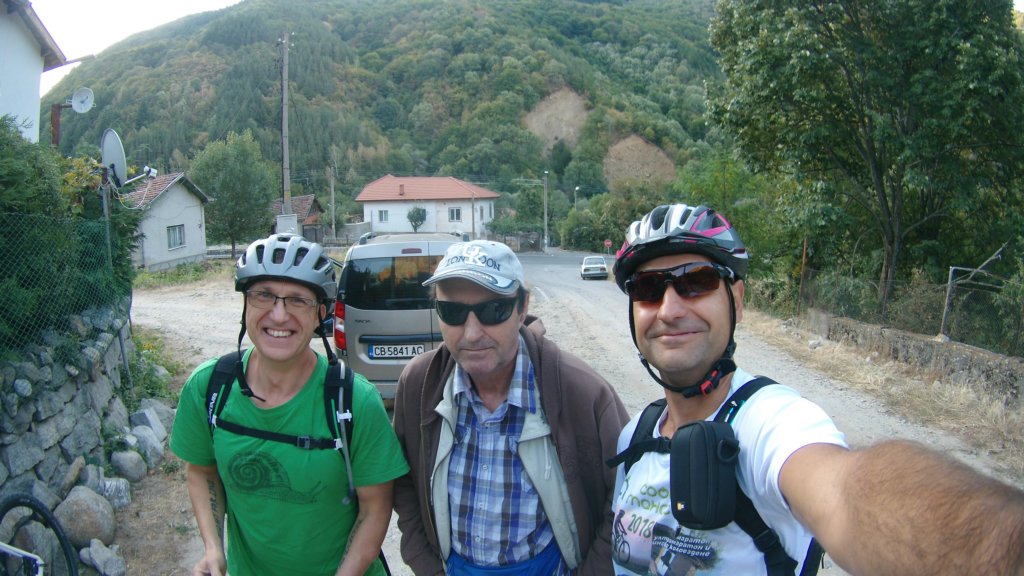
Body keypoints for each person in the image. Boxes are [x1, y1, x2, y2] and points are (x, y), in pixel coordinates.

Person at [608, 203, 1024, 575]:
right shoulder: (634, 437)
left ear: (737, 300)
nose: (669, 309)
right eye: (648, 289)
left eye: (696, 281)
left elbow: (845, 494)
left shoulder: (772, 424)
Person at [169, 233, 409, 576]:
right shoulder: (209, 388)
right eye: (264, 295)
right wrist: (213, 550)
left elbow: (374, 508)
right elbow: (202, 470)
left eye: (298, 300)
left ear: (320, 315)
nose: (279, 315)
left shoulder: (354, 401)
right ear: (246, 305)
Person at [392, 239, 629, 575]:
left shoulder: (584, 393)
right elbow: (404, 486)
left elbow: (625, 503)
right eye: (453, 312)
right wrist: (428, 567)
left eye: (493, 311)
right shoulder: (419, 385)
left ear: (522, 307)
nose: (472, 334)